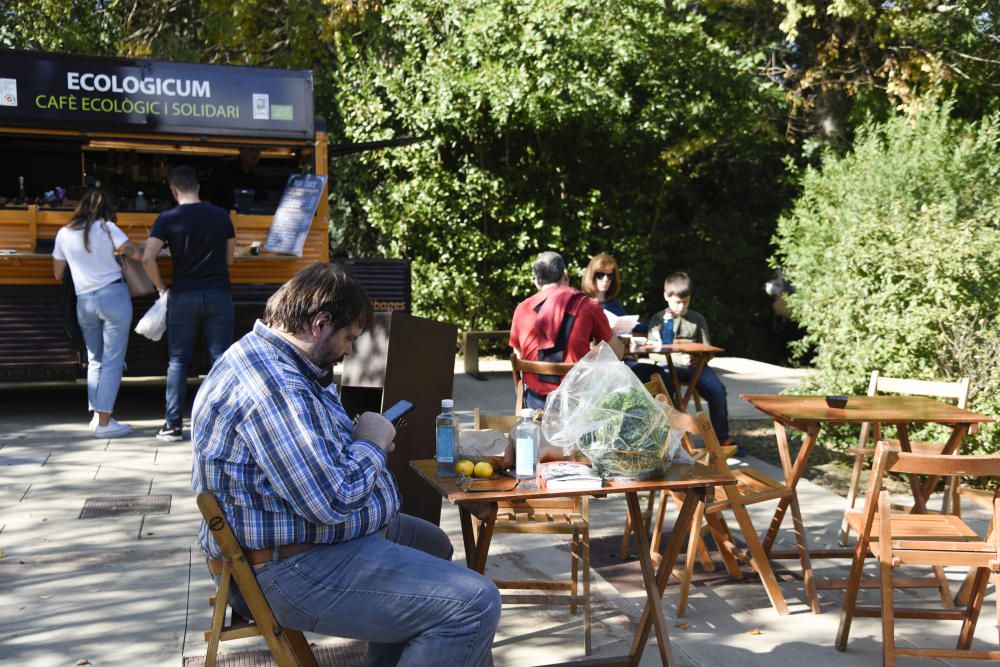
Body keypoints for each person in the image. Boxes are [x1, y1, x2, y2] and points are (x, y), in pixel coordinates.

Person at [191, 262, 501, 665]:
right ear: (320, 324)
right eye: (349, 338)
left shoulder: (270, 358)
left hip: (298, 543)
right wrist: (371, 442)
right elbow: (332, 501)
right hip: (287, 568)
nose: (350, 350)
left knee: (433, 544)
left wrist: (357, 440)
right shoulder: (273, 387)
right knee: (474, 604)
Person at [142, 165, 235, 442]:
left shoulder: (167, 218)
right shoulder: (222, 217)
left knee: (178, 361)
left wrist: (161, 288)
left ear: (173, 190)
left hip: (183, 295)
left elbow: (147, 258)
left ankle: (172, 425)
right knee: (222, 361)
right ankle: (225, 425)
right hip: (218, 294)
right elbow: (230, 259)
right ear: (198, 187)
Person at [52, 189, 142, 438]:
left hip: (84, 301)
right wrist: (127, 248)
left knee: (95, 358)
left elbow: (58, 273)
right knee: (113, 361)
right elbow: (135, 253)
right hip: (113, 297)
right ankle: (105, 424)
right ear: (106, 209)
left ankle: (97, 417)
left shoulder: (64, 233)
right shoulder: (107, 227)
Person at [510, 251, 619, 409]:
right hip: (577, 406)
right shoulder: (588, 306)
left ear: (536, 282)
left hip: (534, 404)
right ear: (565, 275)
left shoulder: (522, 308)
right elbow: (615, 353)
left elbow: (518, 356)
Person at [649, 271, 739, 452]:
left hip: (695, 368)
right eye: (677, 302)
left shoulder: (697, 319)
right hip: (670, 365)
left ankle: (721, 439)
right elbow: (653, 353)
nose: (681, 306)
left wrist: (699, 358)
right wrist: (678, 358)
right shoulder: (658, 320)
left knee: (718, 391)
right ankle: (672, 441)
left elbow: (708, 349)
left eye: (685, 302)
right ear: (667, 297)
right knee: (666, 390)